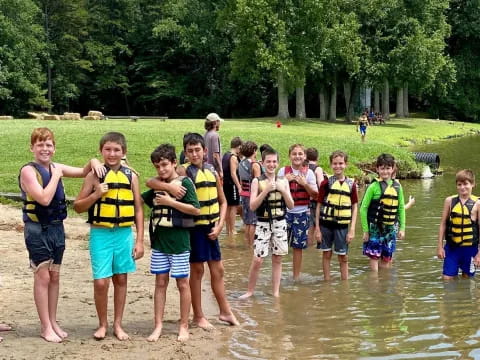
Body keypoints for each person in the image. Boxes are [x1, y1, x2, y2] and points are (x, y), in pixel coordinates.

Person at [19, 127, 104, 343]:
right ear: (32, 148)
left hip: (57, 228)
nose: (44, 149)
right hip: (37, 230)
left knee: (55, 275)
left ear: (54, 148)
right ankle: (45, 326)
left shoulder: (57, 167)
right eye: (40, 145)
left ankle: (53, 321)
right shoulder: (29, 171)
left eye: (48, 145)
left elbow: (84, 171)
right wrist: (57, 175)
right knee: (43, 275)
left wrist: (94, 161)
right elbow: (44, 199)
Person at [150, 133, 238, 329]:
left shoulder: (212, 172)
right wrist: (170, 190)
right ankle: (198, 315)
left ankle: (225, 311)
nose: (194, 154)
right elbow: (152, 182)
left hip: (212, 227)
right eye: (190, 151)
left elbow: (223, 202)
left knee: (218, 270)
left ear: (205, 151)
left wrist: (221, 224)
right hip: (194, 228)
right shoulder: (182, 171)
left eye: (197, 150)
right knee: (197, 271)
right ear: (185, 153)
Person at [74, 132, 144, 341]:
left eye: (116, 150)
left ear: (124, 152)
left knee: (121, 278)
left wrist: (139, 240)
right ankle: (102, 324)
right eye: (108, 149)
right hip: (100, 233)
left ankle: (118, 325)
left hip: (123, 234)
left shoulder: (131, 176)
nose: (112, 154)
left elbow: (138, 209)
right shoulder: (93, 176)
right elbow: (77, 206)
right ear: (101, 151)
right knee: (101, 282)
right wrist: (96, 194)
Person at [142, 144, 200, 342]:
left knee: (183, 283)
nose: (161, 170)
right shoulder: (158, 183)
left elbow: (195, 210)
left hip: (180, 243)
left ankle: (184, 325)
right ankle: (158, 325)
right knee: (160, 283)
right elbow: (145, 192)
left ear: (174, 163)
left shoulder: (185, 184)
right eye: (157, 166)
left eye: (165, 165)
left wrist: (171, 202)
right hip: (160, 242)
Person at [239, 148, 294, 298]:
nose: (271, 164)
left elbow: (291, 205)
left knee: (277, 258)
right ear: (262, 163)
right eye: (268, 161)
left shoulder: (283, 181)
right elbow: (252, 206)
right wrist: (266, 191)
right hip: (263, 224)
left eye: (274, 161)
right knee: (258, 259)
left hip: (280, 223)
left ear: (278, 163)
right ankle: (250, 291)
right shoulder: (257, 181)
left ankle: (275, 292)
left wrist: (283, 190)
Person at [315, 150, 358, 280]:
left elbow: (355, 207)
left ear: (346, 164)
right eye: (335, 163)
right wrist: (317, 229)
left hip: (342, 227)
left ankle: (344, 284)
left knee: (343, 257)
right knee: (326, 254)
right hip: (326, 226)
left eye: (340, 163)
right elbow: (318, 206)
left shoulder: (351, 185)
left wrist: (352, 229)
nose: (338, 166)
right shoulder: (325, 183)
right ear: (331, 164)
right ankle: (327, 282)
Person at [278, 144, 318, 281]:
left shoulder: (310, 173)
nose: (297, 156)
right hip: (284, 214)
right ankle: (278, 276)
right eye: (294, 154)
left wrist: (305, 184)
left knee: (298, 248)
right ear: (289, 156)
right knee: (279, 246)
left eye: (300, 154)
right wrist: (284, 181)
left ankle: (295, 277)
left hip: (302, 214)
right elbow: (274, 193)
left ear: (305, 156)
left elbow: (316, 196)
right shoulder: (283, 171)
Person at [360, 153, 406, 272]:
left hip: (391, 228)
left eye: (388, 168)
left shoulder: (398, 187)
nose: (385, 171)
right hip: (374, 227)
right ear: (377, 169)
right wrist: (365, 230)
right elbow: (363, 208)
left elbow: (401, 208)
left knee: (387, 257)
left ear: (392, 169)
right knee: (374, 256)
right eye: (382, 168)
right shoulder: (373, 187)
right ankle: (374, 282)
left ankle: (385, 281)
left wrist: (402, 228)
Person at [437, 169, 480, 280]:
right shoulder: (449, 201)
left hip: (470, 250)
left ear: (473, 184)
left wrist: (479, 253)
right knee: (447, 279)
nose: (462, 187)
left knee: (467, 280)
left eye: (466, 184)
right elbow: (443, 224)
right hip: (452, 249)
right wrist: (440, 247)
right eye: (459, 184)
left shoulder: (478, 203)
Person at [238, 141, 262, 247]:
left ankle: (247, 243)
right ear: (253, 151)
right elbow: (258, 182)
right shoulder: (255, 165)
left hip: (243, 194)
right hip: (252, 195)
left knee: (247, 221)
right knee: (253, 221)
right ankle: (252, 245)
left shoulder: (241, 163)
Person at [305, 147, 327, 250]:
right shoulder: (317, 169)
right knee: (318, 224)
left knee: (309, 225)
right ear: (317, 157)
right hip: (316, 200)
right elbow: (321, 184)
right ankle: (319, 246)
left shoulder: (304, 167)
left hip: (305, 200)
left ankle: (308, 246)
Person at [222, 137, 243, 236]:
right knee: (233, 207)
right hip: (232, 185)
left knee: (228, 207)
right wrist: (239, 186)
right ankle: (232, 229)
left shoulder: (226, 155)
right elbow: (233, 174)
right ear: (239, 147)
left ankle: (228, 229)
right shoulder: (233, 157)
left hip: (225, 184)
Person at [204, 113, 224, 179]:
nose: (220, 124)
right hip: (214, 170)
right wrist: (220, 171)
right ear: (215, 122)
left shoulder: (206, 134)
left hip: (206, 168)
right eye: (219, 122)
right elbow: (216, 155)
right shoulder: (215, 135)